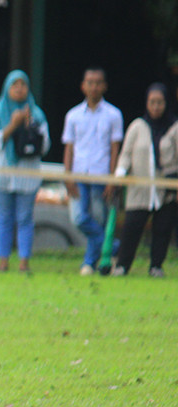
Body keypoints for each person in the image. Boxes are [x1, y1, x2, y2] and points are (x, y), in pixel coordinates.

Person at [0, 70, 50, 273]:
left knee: (24, 218)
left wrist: (31, 127)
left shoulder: (37, 114)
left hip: (27, 176)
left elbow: (45, 146)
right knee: (4, 218)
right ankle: (3, 261)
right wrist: (12, 126)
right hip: (2, 175)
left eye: (23, 85)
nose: (19, 89)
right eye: (15, 85)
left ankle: (24, 262)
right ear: (7, 88)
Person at [62, 67, 124, 276]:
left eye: (98, 82)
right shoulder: (73, 115)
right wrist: (67, 175)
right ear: (83, 86)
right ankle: (115, 247)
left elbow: (115, 149)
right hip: (79, 174)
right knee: (79, 218)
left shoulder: (114, 114)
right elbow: (69, 148)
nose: (94, 86)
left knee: (99, 220)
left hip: (101, 174)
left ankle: (89, 263)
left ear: (104, 86)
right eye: (90, 82)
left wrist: (112, 179)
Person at [111, 84, 177, 277]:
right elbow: (126, 154)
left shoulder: (174, 128)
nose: (156, 107)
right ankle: (123, 265)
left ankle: (156, 266)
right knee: (132, 228)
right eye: (152, 102)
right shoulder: (137, 126)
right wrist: (120, 174)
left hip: (166, 190)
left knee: (163, 230)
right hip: (139, 189)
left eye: (160, 103)